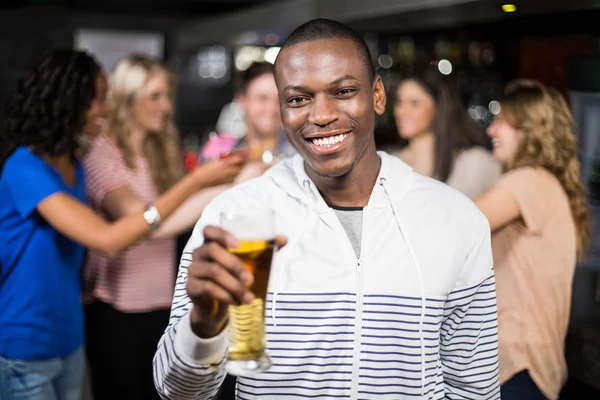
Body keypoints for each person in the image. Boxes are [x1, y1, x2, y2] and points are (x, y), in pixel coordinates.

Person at [154, 19, 500, 399]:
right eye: (298, 99)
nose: (320, 115)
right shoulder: (236, 214)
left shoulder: (454, 218)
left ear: (378, 96)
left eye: (344, 91)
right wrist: (203, 325)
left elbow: (474, 387)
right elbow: (179, 392)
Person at [0, 50, 244, 400]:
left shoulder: (74, 165)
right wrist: (199, 180)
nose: (106, 108)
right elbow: (111, 239)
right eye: (98, 98)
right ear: (70, 100)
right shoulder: (26, 169)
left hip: (68, 335)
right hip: (26, 341)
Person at [82, 54, 245, 400]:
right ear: (127, 98)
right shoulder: (102, 153)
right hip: (117, 311)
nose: (165, 106)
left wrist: (235, 183)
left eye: (167, 96)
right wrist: (201, 179)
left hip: (163, 303)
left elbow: (176, 216)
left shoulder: (159, 151)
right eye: (155, 96)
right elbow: (144, 222)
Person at [474, 80, 592, 400]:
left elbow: (457, 229)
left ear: (530, 128)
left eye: (502, 121)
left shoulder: (526, 181)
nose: (491, 130)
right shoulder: (547, 185)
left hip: (517, 367)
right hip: (535, 369)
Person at [393, 66, 500, 198]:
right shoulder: (389, 163)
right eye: (399, 102)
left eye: (414, 103)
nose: (401, 111)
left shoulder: (474, 162)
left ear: (438, 107)